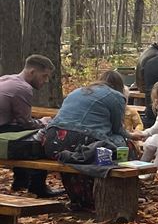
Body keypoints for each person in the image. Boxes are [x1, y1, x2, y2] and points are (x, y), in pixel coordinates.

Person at [43, 71, 132, 211]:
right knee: (123, 144)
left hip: (52, 140)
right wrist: (132, 136)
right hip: (80, 140)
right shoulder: (116, 97)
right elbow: (117, 129)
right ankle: (108, 195)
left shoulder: (77, 91)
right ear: (119, 86)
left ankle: (79, 198)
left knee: (87, 152)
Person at [0, 55, 59, 197]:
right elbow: (26, 123)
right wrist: (43, 122)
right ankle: (37, 187)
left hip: (4, 126)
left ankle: (21, 182)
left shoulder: (6, 79)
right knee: (42, 138)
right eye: (44, 76)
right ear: (32, 72)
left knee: (23, 135)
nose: (45, 81)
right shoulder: (23, 88)